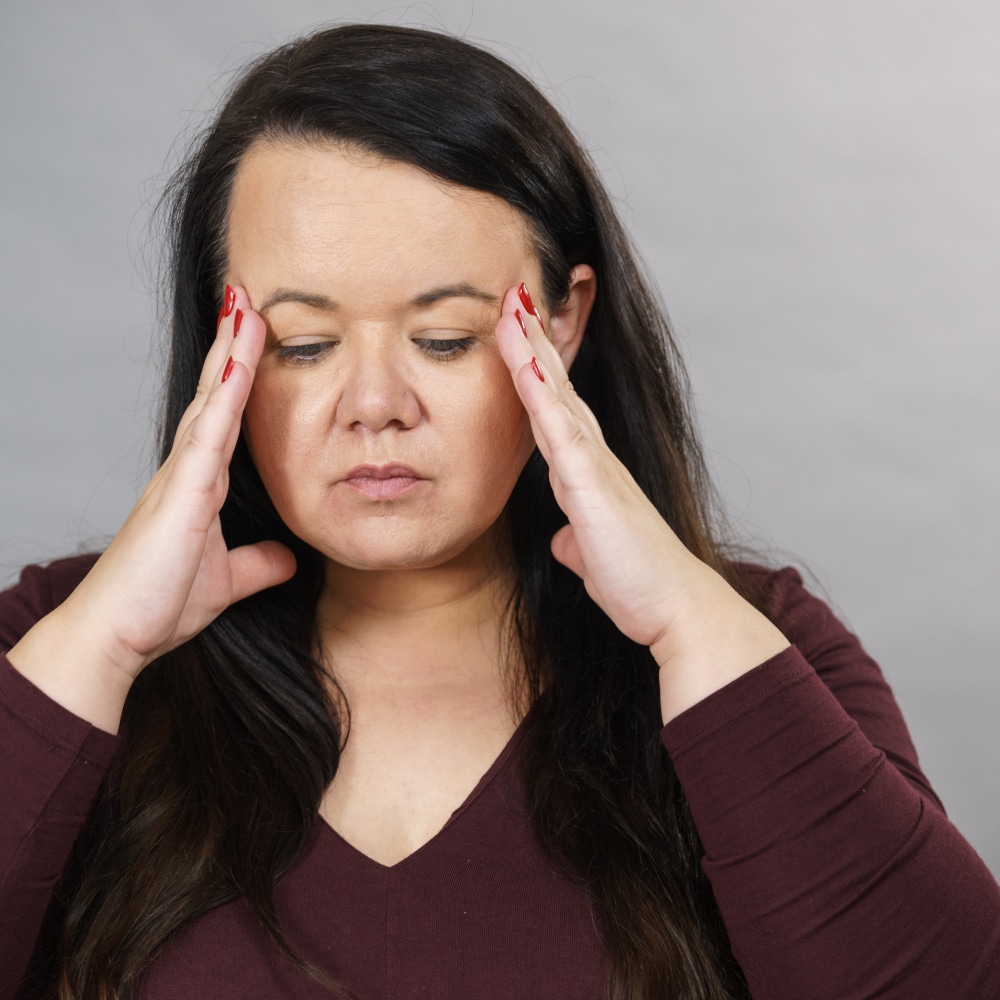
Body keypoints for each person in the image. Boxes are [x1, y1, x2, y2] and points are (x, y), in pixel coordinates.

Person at [1, 22, 997, 1000]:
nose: (375, 404)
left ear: (561, 324)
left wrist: (689, 627)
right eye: (304, 345)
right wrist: (99, 649)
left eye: (444, 338)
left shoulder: (757, 646)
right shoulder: (55, 643)